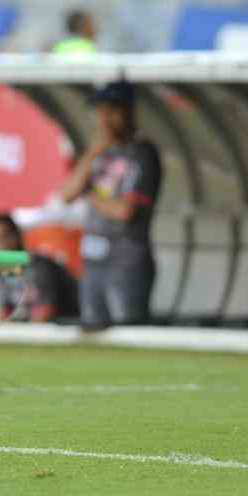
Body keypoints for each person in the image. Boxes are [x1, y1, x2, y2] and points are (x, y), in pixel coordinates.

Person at [58, 81, 161, 328]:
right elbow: (67, 194)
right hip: (93, 259)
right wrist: (93, 152)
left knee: (126, 328)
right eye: (100, 111)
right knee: (91, 326)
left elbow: (124, 210)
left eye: (111, 111)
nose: (104, 119)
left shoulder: (142, 154)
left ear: (128, 112)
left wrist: (90, 195)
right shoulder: (98, 153)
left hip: (126, 259)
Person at [0, 213, 79, 322]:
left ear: (17, 235)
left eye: (3, 237)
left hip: (66, 324)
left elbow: (44, 313)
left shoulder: (40, 267)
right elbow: (4, 312)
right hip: (30, 326)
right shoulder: (0, 271)